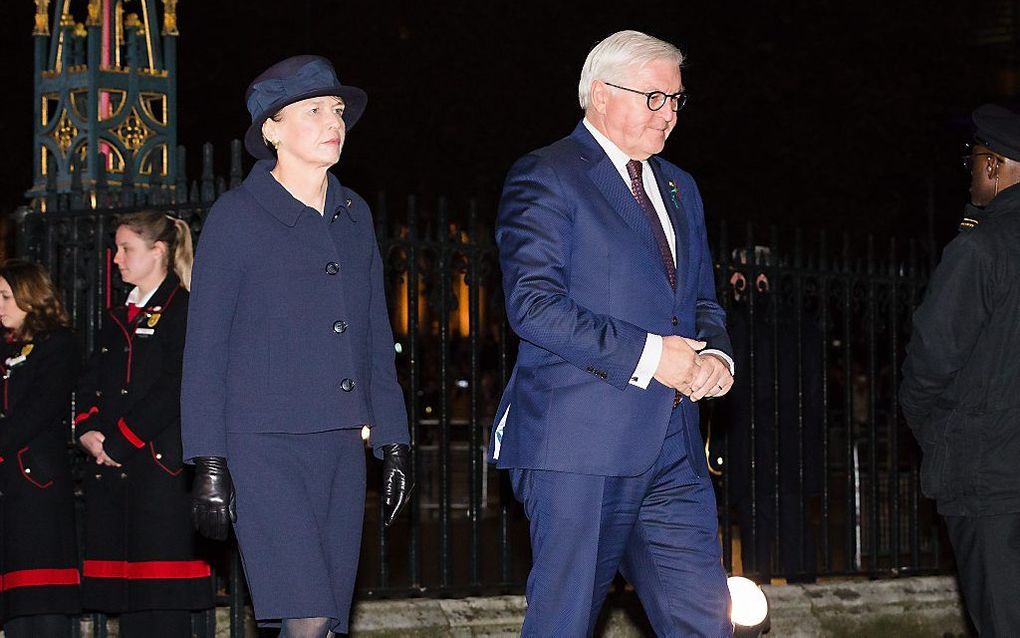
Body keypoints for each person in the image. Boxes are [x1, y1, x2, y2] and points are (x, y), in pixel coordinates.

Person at [490, 30, 736, 636]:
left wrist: (717, 358)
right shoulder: (547, 175)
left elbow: (702, 300)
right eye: (655, 97)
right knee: (564, 624)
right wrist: (654, 357)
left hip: (675, 449)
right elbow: (533, 306)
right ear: (600, 94)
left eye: (676, 100)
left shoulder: (681, 186)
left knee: (707, 623)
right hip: (580, 448)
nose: (669, 113)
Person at [181, 55, 412, 638]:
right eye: (314, 110)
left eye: (337, 110)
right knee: (307, 615)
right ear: (272, 130)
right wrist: (209, 462)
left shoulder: (353, 214)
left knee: (328, 620)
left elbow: (373, 338)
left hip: (340, 444)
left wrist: (395, 440)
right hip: (263, 448)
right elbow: (205, 350)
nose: (333, 121)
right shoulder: (236, 217)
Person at [900, 104, 1020, 635]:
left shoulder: (981, 248)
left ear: (994, 165)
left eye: (973, 159)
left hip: (991, 482)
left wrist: (940, 436)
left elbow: (928, 365)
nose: (969, 170)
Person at [75, 211, 213, 637]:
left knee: (162, 605)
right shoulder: (120, 314)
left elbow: (176, 385)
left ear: (158, 252)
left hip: (159, 474)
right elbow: (93, 379)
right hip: (115, 479)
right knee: (129, 604)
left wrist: (120, 441)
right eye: (117, 249)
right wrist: (88, 429)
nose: (116, 259)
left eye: (126, 249)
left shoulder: (185, 308)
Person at [0, 260, 80, 637]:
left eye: (4, 296)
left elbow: (38, 410)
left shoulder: (57, 345)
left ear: (29, 296)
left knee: (44, 605)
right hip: (7, 492)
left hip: (37, 489)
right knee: (15, 609)